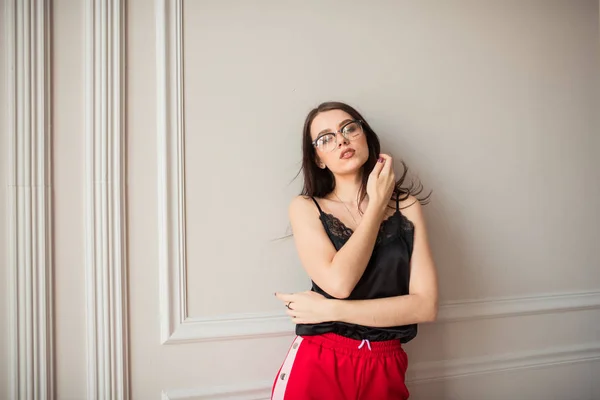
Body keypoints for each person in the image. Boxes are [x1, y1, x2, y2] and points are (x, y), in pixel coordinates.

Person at [271, 101, 439, 400]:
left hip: (386, 363)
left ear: (366, 137)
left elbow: (424, 306)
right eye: (326, 138)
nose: (341, 140)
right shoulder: (306, 208)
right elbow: (339, 283)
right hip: (321, 359)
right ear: (318, 159)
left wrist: (329, 310)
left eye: (349, 128)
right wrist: (376, 205)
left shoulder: (407, 205)